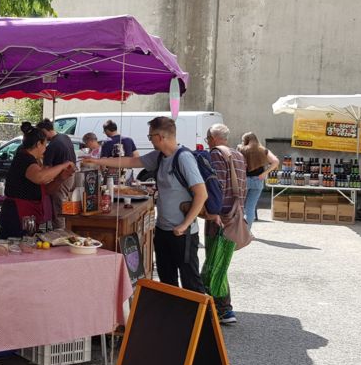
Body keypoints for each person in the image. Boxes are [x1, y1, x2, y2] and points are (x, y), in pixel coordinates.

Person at [83, 117, 207, 292]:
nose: (150, 140)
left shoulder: (184, 157)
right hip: (164, 229)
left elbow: (202, 194)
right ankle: (173, 317)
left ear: (160, 137)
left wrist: (184, 224)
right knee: (166, 280)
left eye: (150, 137)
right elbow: (130, 162)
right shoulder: (159, 156)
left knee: (191, 282)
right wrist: (97, 161)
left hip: (182, 233)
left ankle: (202, 319)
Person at [0, 124, 76, 238]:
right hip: (16, 215)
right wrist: (63, 165)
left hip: (29, 216)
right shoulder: (23, 158)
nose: (46, 149)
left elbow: (47, 190)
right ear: (38, 144)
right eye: (45, 144)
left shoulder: (34, 161)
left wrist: (60, 178)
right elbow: (40, 177)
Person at [205, 123, 247, 325]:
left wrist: (212, 212)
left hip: (220, 217)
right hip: (235, 214)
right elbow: (243, 186)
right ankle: (218, 306)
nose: (206, 141)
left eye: (207, 138)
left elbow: (216, 186)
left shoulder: (215, 155)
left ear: (212, 138)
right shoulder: (237, 155)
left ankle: (223, 309)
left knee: (215, 264)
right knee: (220, 262)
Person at [37, 118, 77, 229]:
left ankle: (59, 233)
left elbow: (46, 169)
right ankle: (63, 230)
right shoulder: (65, 137)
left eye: (41, 133)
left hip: (62, 178)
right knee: (63, 205)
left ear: (45, 131)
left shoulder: (52, 145)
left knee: (58, 207)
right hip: (72, 175)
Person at [238, 132, 280, 227]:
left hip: (243, 180)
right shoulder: (263, 150)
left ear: (246, 141)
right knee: (250, 208)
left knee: (240, 207)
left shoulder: (241, 149)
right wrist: (264, 173)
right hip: (258, 180)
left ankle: (239, 232)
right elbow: (276, 161)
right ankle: (247, 232)